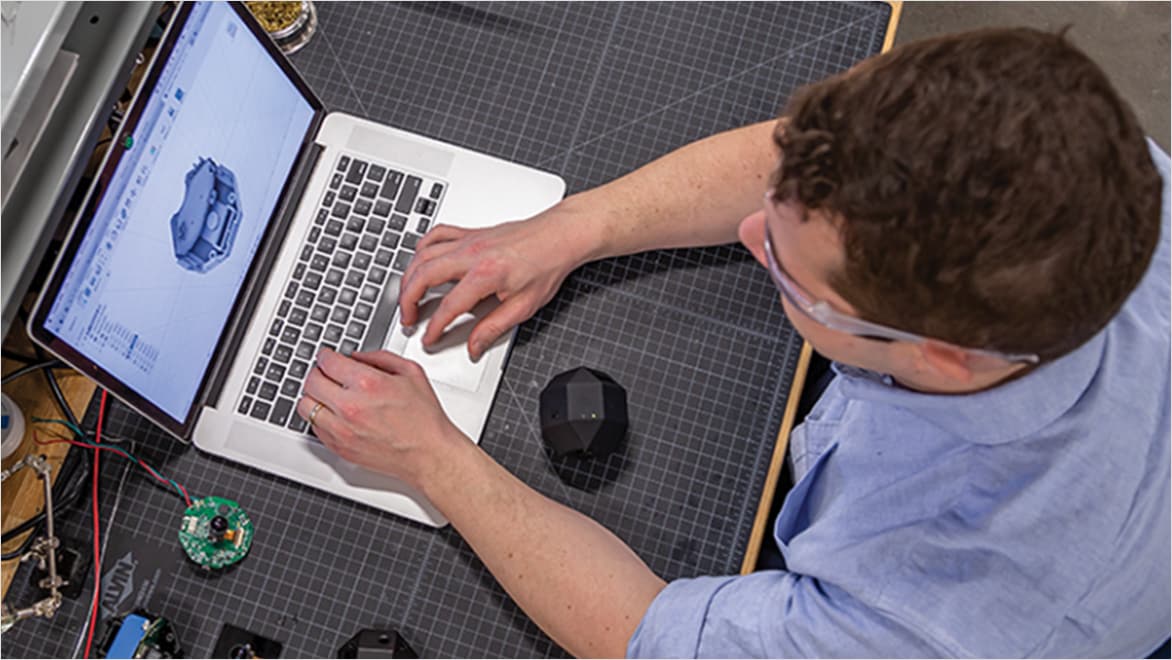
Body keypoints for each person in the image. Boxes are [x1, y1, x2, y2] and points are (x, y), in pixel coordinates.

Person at [295, 27, 1171, 658]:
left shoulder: (929, 617)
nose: (752, 231)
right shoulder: (1087, 166)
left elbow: (647, 635)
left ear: (940, 357)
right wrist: (576, 224)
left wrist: (434, 460)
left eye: (788, 270)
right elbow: (801, 162)